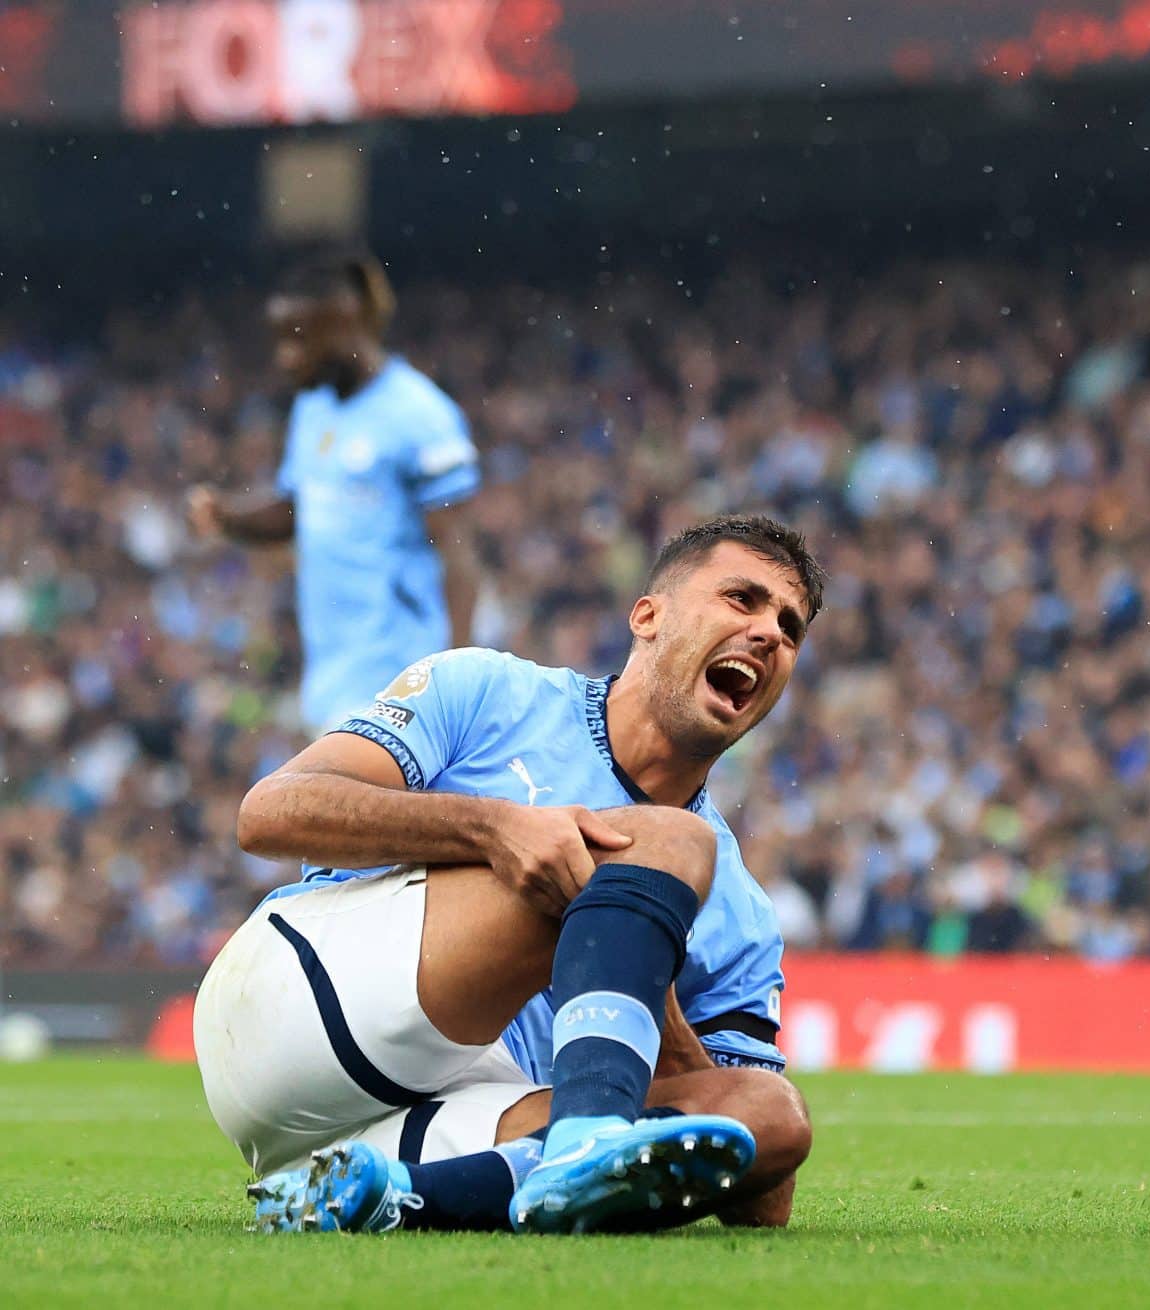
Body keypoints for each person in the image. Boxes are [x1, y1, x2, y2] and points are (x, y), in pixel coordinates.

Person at [193, 515, 823, 1234]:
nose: (770, 632)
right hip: (294, 1016)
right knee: (662, 844)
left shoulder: (740, 915)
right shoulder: (489, 690)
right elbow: (270, 813)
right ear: (648, 615)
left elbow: (760, 1193)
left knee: (774, 1113)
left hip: (452, 1116)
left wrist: (646, 963)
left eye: (790, 627)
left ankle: (396, 1196)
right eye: (741, 599)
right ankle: (583, 1142)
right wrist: (493, 828)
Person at [188, 247, 482, 732]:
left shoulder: (421, 417)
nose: (285, 358)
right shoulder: (314, 408)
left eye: (298, 339)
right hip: (331, 672)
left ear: (345, 324)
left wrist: (458, 685)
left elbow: (458, 556)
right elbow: (297, 511)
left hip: (399, 674)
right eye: (279, 340)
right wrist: (226, 516)